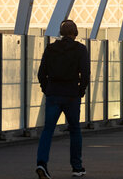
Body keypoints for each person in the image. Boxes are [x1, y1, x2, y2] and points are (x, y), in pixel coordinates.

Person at [37, 20, 90, 179]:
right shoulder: (80, 49)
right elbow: (85, 74)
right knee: (74, 130)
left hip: (53, 93)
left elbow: (41, 74)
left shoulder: (51, 49)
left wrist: (47, 89)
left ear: (61, 33)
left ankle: (41, 164)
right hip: (72, 94)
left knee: (48, 130)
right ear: (75, 33)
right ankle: (77, 167)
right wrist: (80, 91)